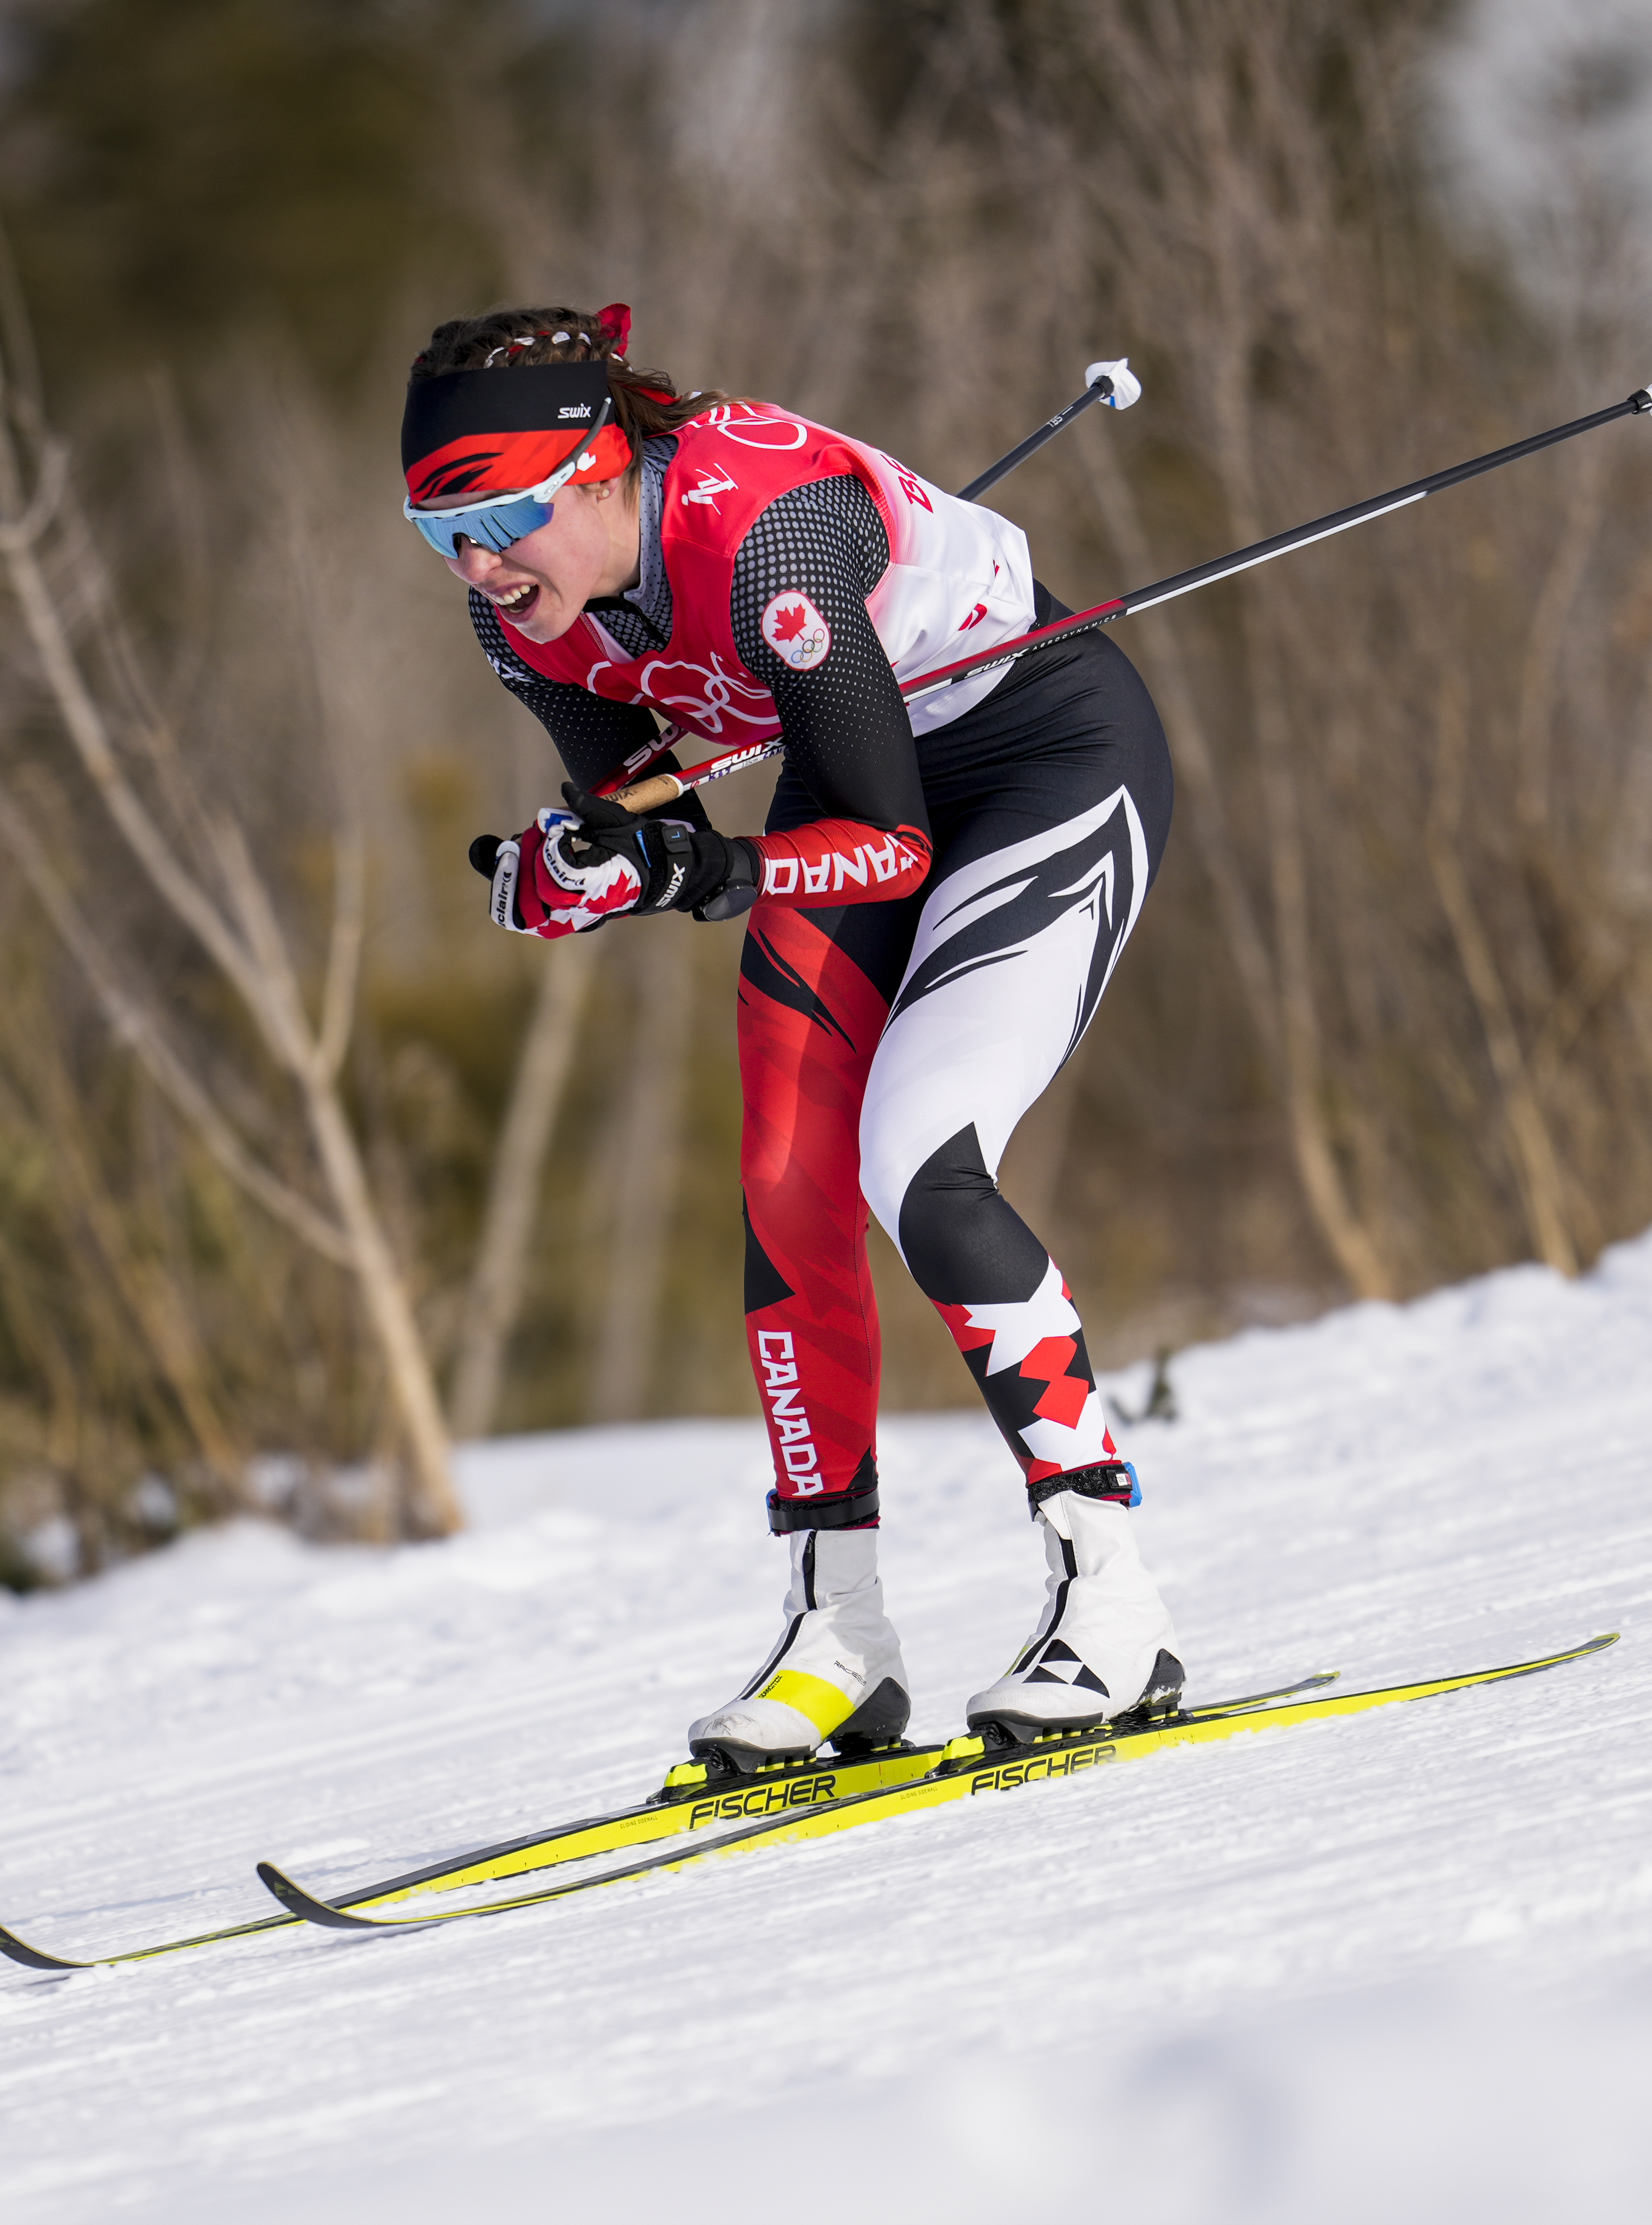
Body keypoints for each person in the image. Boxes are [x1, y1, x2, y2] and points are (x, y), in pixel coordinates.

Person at [406, 302, 1182, 1769]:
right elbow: (654, 824)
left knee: (918, 1157)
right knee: (786, 1178)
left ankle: (1115, 1599)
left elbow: (881, 845)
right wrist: (581, 873)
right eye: (439, 531)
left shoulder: (766, 533)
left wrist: (682, 872)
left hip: (1037, 766)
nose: (479, 566)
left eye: (503, 516)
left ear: (594, 470)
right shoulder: (522, 613)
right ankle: (843, 1633)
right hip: (849, 801)